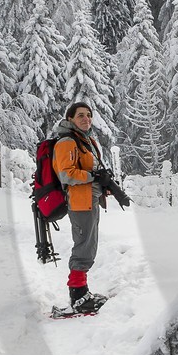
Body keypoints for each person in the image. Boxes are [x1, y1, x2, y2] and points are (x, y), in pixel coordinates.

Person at [51, 101, 109, 311]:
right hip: (79, 202)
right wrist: (93, 176)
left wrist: (102, 183)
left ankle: (83, 292)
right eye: (80, 116)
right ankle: (77, 296)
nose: (86, 119)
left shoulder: (84, 140)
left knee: (89, 245)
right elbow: (66, 174)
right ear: (70, 119)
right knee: (83, 245)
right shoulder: (67, 142)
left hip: (89, 200)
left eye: (88, 115)